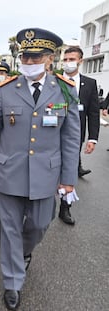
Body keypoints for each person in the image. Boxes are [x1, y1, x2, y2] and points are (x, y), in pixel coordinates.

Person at [0, 28, 80, 310]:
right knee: (9, 229)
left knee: (39, 224)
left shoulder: (64, 89)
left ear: (49, 59)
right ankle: (12, 282)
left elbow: (71, 138)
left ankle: (22, 252)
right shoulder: (5, 89)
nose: (28, 61)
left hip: (47, 174)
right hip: (9, 171)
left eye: (35, 56)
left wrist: (68, 179)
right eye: (25, 55)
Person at [60, 46, 100, 225]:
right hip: (51, 132)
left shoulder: (89, 83)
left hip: (75, 135)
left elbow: (93, 112)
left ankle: (65, 207)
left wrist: (93, 138)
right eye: (66, 59)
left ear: (80, 61)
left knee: (69, 170)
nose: (68, 63)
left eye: (72, 59)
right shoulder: (54, 81)